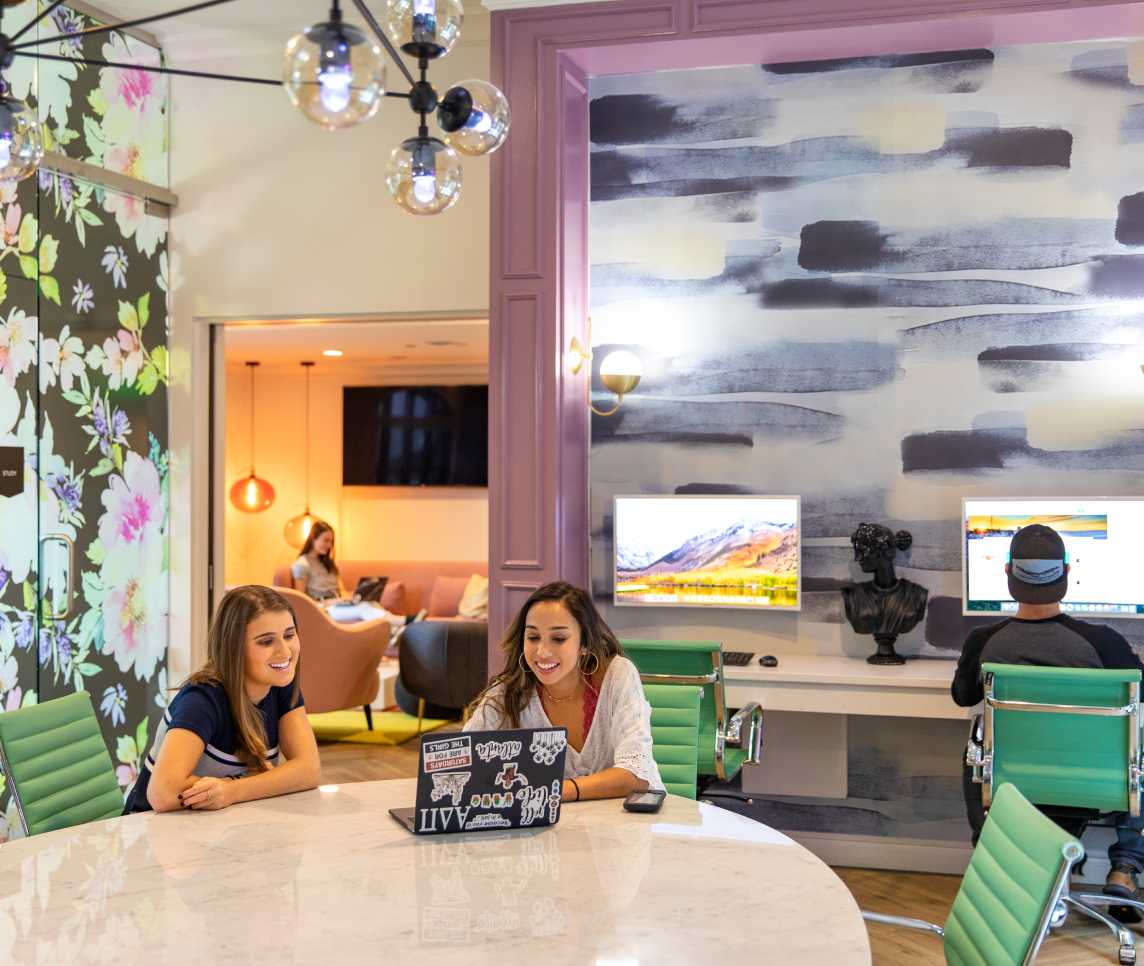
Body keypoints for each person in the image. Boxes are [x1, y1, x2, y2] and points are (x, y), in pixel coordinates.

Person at [952, 523, 1144, 906]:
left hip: (1011, 787)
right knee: (1137, 746)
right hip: (1089, 785)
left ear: (1008, 574)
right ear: (1067, 574)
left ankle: (993, 860)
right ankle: (1125, 866)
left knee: (975, 747)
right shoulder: (1105, 643)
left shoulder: (983, 642)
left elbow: (962, 696)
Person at [124, 585, 321, 813]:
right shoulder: (200, 701)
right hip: (152, 833)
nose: (285, 651)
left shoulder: (279, 685)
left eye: (289, 635)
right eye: (266, 642)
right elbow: (163, 794)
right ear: (233, 648)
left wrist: (231, 790)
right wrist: (260, 781)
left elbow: (309, 769)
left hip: (221, 829)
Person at [464, 581, 663, 803]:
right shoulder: (509, 689)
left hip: (630, 824)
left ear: (584, 644)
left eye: (558, 639)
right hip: (556, 828)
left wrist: (556, 791)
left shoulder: (618, 674)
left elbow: (635, 775)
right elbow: (464, 760)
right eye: (533, 637)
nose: (542, 652)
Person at [291, 520, 423, 628]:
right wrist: (333, 601)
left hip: (338, 604)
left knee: (372, 604)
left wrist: (351, 598)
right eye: (326, 540)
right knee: (364, 608)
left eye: (331, 541)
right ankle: (404, 622)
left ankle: (396, 630)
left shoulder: (329, 564)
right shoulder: (302, 565)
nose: (329, 545)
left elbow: (341, 591)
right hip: (322, 609)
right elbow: (303, 601)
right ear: (313, 538)